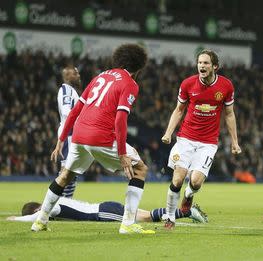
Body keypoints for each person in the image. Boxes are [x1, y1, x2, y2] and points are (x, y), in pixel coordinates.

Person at [31, 44, 153, 234]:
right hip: (100, 135)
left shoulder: (100, 77)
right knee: (140, 169)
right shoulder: (130, 84)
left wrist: (61, 140)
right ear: (138, 68)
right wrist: (122, 153)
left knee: (64, 176)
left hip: (79, 135)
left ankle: (40, 221)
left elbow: (75, 111)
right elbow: (120, 118)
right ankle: (128, 224)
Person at [161, 49, 241, 229]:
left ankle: (188, 196)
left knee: (195, 182)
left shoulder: (226, 86)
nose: (201, 66)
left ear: (215, 67)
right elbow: (179, 110)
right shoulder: (188, 84)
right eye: (199, 63)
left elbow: (229, 114)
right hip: (186, 139)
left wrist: (235, 142)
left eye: (205, 63)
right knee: (177, 179)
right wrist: (168, 132)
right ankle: (169, 218)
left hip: (208, 143)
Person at [8, 199, 208, 224]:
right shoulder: (57, 201)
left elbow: (37, 216)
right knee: (146, 214)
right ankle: (186, 211)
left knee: (146, 218)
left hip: (102, 213)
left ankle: (187, 213)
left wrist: (16, 218)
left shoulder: (51, 206)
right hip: (105, 207)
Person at [56, 66, 82, 198]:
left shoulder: (71, 90)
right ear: (67, 76)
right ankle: (60, 203)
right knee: (67, 172)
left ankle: (64, 202)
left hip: (72, 134)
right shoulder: (66, 90)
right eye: (75, 73)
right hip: (69, 135)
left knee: (70, 171)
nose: (78, 75)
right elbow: (67, 112)